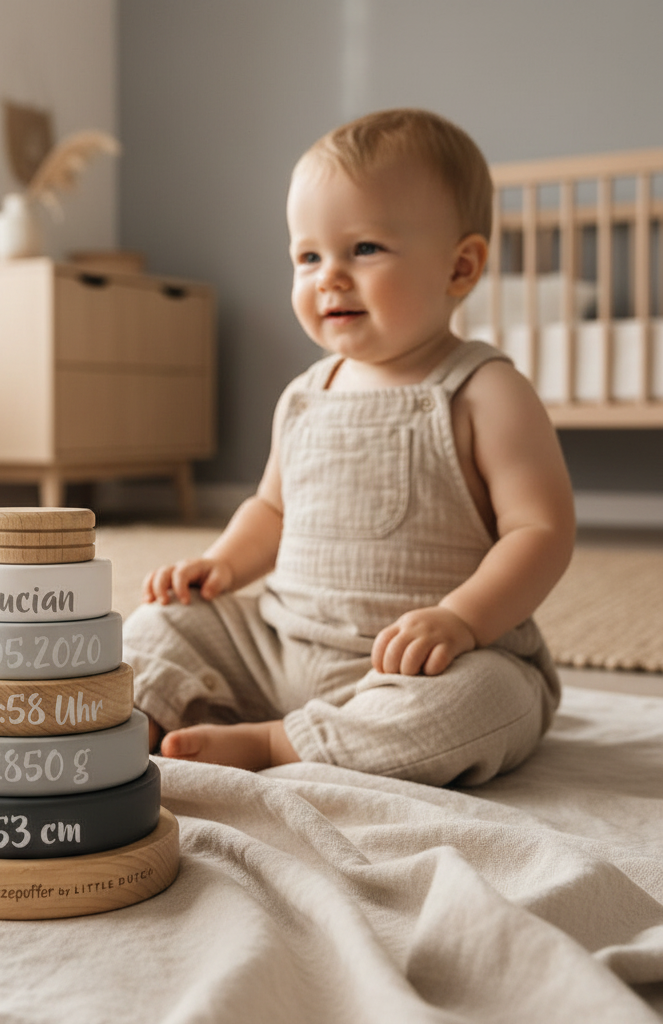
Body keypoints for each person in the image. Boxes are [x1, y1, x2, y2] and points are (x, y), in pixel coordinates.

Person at [122, 108, 575, 786]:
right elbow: (271, 510)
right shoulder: (304, 395)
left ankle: (278, 743)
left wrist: (460, 620)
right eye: (308, 256)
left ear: (460, 267)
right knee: (161, 622)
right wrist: (220, 564)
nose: (328, 276)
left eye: (363, 249)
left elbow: (541, 531)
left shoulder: (485, 391)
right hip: (279, 647)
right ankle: (135, 715)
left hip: (425, 665)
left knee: (486, 701)